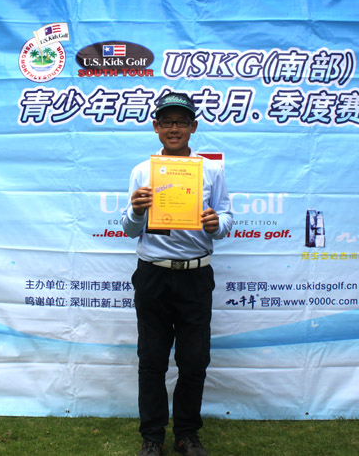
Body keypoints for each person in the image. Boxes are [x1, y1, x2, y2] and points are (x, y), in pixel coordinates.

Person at [121, 91, 233, 456]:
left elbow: (226, 219)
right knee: (152, 360)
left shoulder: (210, 170)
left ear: (193, 127)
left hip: (195, 276)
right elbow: (129, 229)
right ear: (156, 127)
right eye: (167, 121)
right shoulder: (143, 171)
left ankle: (186, 434)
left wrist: (216, 224)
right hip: (153, 274)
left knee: (194, 360)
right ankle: (152, 438)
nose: (174, 128)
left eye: (181, 122)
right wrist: (137, 212)